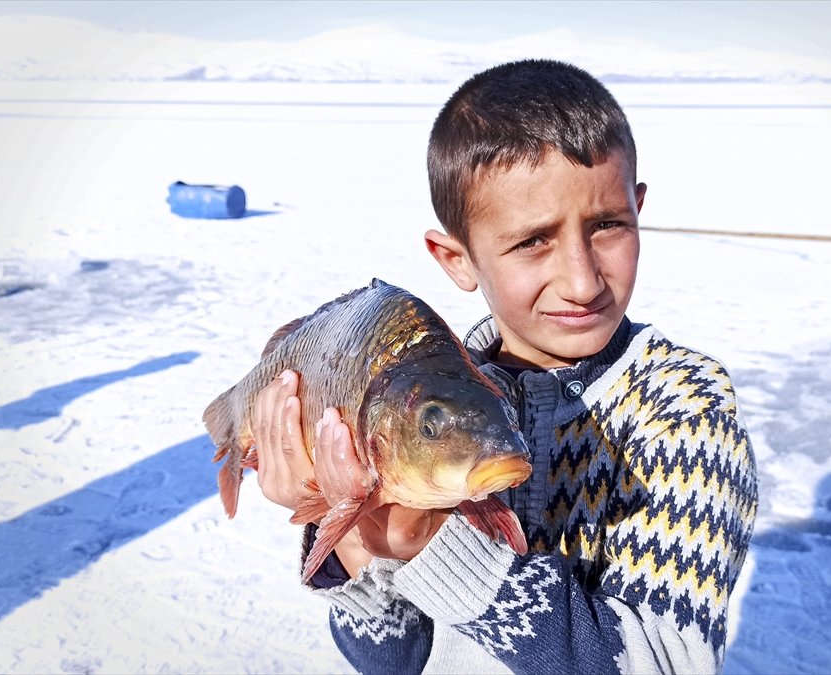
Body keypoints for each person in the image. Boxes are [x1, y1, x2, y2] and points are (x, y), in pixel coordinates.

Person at [250, 59, 759, 674]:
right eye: (532, 241)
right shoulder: (426, 405)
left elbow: (666, 664)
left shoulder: (682, 411)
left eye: (607, 226)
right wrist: (362, 533)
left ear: (638, 207)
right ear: (456, 259)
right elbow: (392, 661)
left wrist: (432, 543)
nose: (580, 278)